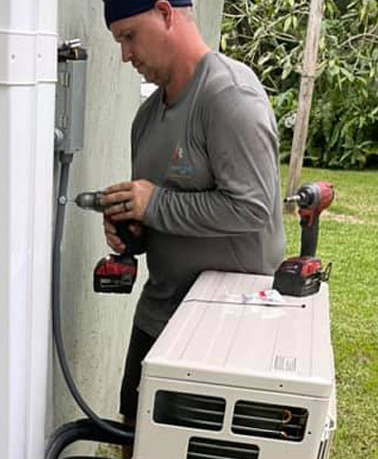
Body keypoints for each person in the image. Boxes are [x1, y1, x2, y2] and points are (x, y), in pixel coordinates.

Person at [98, 0, 286, 425]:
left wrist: (156, 203)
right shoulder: (146, 119)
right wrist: (132, 228)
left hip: (229, 325)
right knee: (138, 441)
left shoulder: (229, 97)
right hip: (160, 313)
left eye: (129, 36)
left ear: (166, 14)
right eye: (119, 41)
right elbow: (160, 215)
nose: (125, 55)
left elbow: (253, 207)